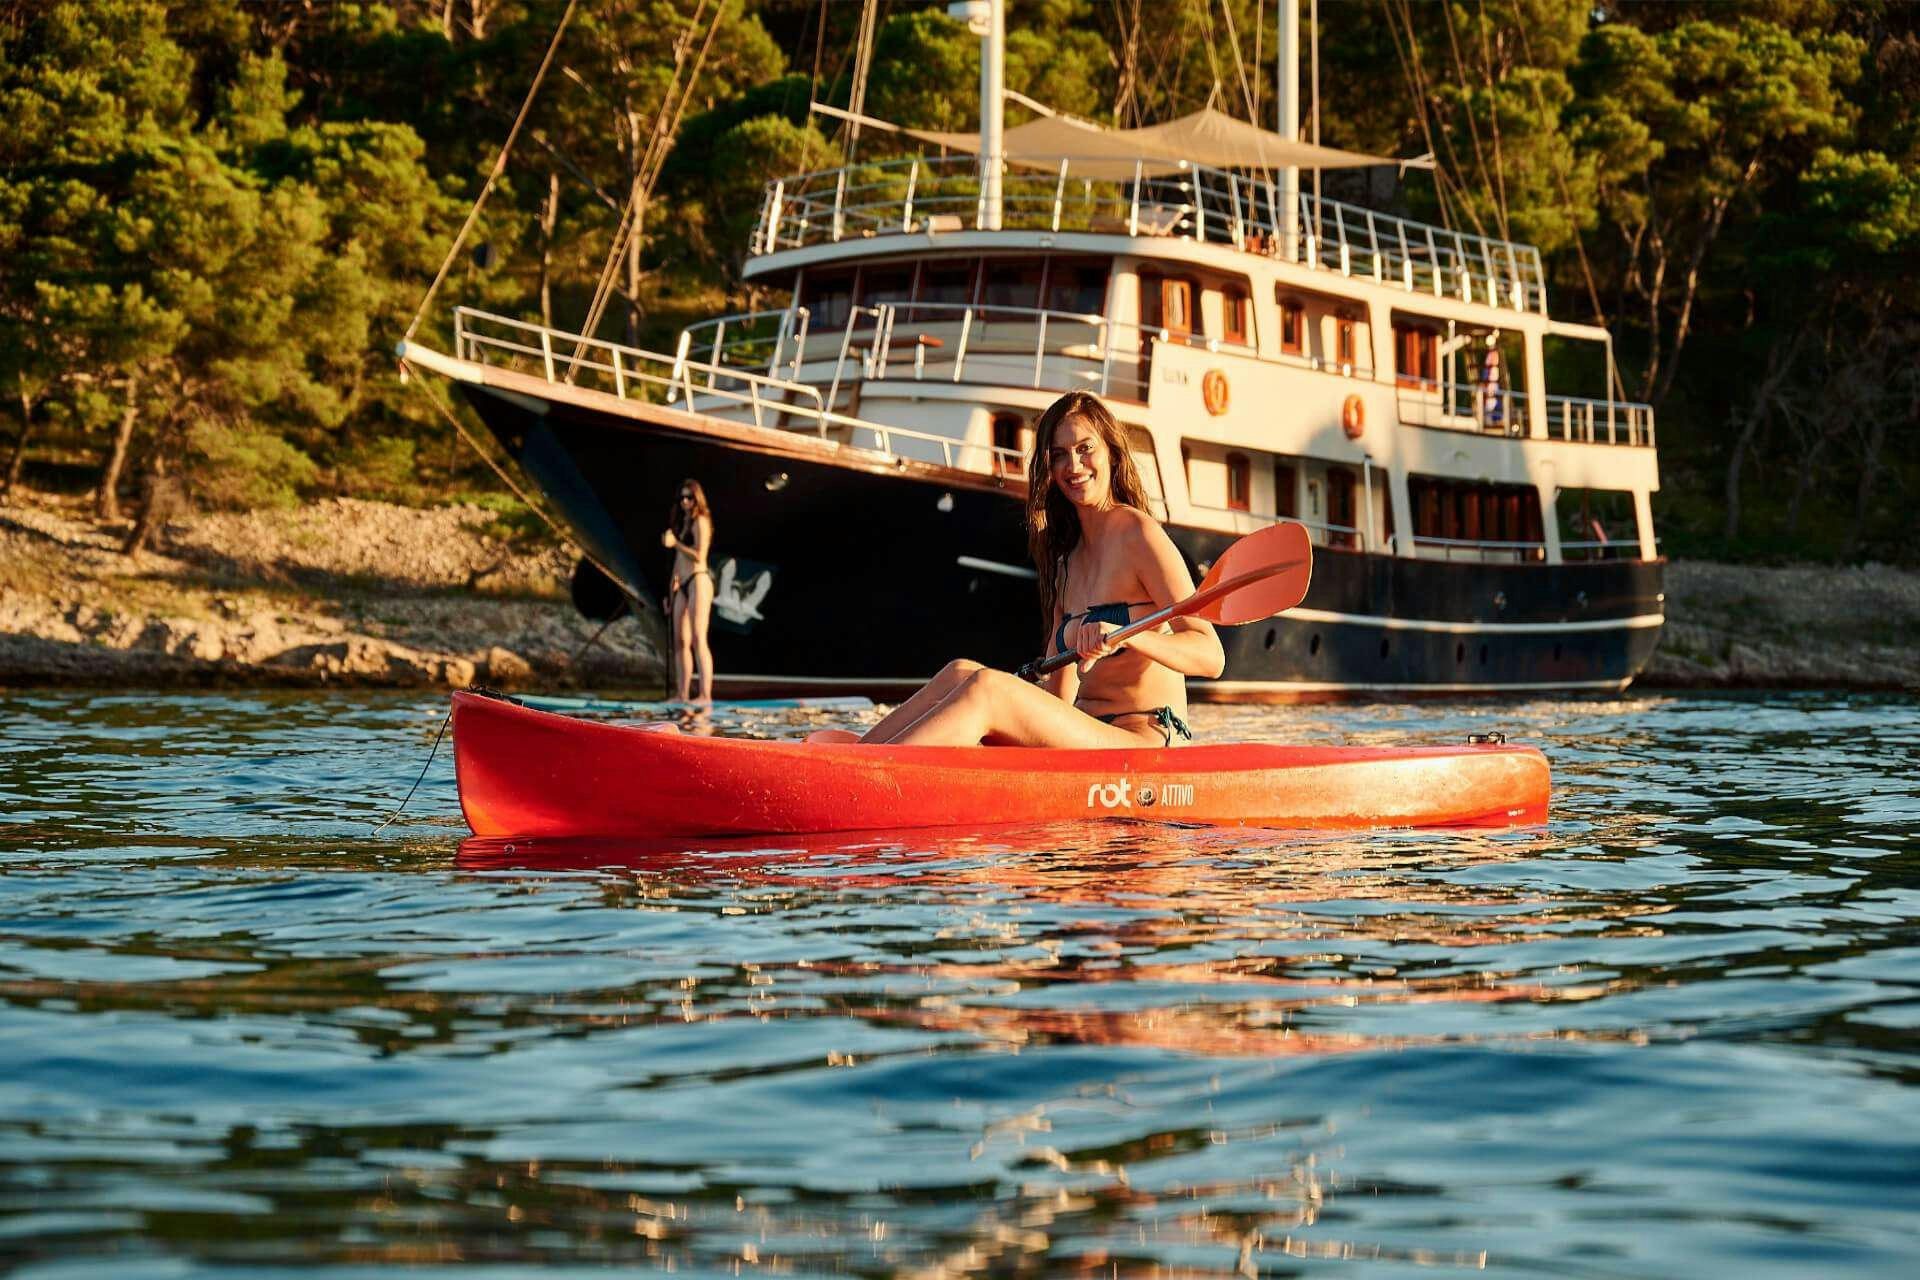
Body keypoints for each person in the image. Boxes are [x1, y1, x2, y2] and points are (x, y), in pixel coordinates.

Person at [860, 390, 1223, 747]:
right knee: (960, 673)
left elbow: (1210, 656)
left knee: (989, 689)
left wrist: (1128, 634)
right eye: (1060, 454)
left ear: (1111, 452)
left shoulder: (1140, 536)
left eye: (1085, 448)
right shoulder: (1067, 562)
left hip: (1143, 737)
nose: (1074, 466)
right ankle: (849, 757)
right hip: (1085, 729)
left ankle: (869, 778)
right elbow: (1059, 697)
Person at [662, 478, 714, 704]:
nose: (685, 501)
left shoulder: (700, 521)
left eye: (689, 497)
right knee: (680, 641)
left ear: (697, 498)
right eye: (682, 497)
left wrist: (676, 544)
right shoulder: (683, 522)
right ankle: (682, 694)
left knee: (697, 638)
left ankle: (705, 694)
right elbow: (678, 561)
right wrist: (671, 594)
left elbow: (699, 555)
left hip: (698, 580)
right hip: (681, 584)